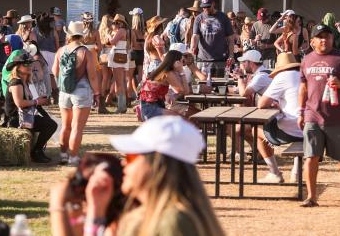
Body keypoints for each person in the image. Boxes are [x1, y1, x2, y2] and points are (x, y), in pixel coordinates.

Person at [52, 115, 223, 236]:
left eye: (131, 157)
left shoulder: (173, 223)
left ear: (156, 165)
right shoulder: (151, 216)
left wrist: (58, 208)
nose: (124, 164)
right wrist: (96, 213)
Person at [298, 23, 340, 207]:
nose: (324, 40)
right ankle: (311, 196)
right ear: (312, 42)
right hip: (312, 115)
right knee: (310, 156)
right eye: (320, 37)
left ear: (333, 39)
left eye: (328, 36)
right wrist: (300, 111)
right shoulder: (307, 60)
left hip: (337, 117)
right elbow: (303, 87)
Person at [53, 21, 100, 166]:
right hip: (81, 90)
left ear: (69, 34)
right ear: (82, 35)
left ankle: (63, 155)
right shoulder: (85, 52)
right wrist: (97, 93)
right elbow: (92, 76)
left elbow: (55, 71)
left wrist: (61, 84)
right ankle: (73, 158)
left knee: (66, 126)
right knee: (77, 127)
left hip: (64, 91)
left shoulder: (61, 50)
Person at [257, 52, 303, 184]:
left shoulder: (283, 76)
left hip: (292, 128)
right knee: (296, 129)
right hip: (310, 127)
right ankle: (296, 171)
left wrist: (276, 105)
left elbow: (262, 104)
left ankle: (275, 173)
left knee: (256, 131)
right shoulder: (304, 75)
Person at [4, 53, 57, 163]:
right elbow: (20, 103)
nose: (29, 66)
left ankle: (37, 150)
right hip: (15, 120)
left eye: (30, 64)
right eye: (25, 64)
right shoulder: (16, 82)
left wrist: (38, 101)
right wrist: (37, 101)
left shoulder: (24, 82)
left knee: (50, 123)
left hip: (24, 116)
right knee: (50, 124)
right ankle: (36, 151)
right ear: (18, 67)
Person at [190, 0, 234, 79]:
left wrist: (231, 55)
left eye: (208, 7)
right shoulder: (199, 18)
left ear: (213, 4)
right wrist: (192, 48)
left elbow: (230, 38)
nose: (205, 9)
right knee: (204, 85)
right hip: (203, 59)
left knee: (220, 86)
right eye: (203, 7)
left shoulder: (223, 17)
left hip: (221, 58)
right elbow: (195, 36)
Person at [138, 50, 187, 122]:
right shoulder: (168, 73)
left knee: (186, 118)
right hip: (150, 109)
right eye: (182, 61)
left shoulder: (165, 71)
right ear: (176, 61)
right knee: (181, 120)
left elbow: (186, 91)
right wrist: (182, 72)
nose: (183, 64)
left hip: (152, 107)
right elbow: (182, 91)